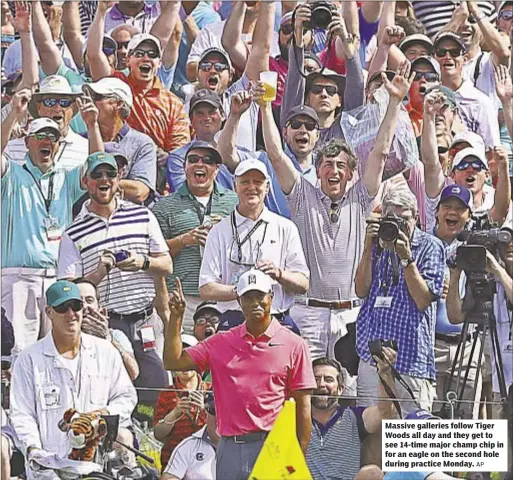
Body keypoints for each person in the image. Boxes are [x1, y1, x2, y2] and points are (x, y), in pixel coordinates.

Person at [264, 62, 415, 360]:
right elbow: (276, 154)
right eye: (328, 165)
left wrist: (395, 103)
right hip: (307, 314)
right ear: (318, 171)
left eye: (341, 167)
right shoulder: (302, 197)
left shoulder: (361, 197)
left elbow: (381, 153)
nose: (334, 172)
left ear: (350, 174)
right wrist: (264, 105)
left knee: (352, 393)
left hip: (352, 314)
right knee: (304, 393)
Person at [163, 270, 316, 479]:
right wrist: (176, 319)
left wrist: (298, 456)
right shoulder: (220, 341)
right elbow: (173, 361)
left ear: (271, 297)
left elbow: (303, 407)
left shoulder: (294, 344)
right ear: (238, 300)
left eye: (260, 296)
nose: (255, 303)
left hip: (273, 444)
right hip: (229, 447)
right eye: (248, 297)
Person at [56, 152, 172, 414]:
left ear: (119, 178)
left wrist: (141, 262)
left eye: (110, 173)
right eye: (97, 175)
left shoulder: (142, 215)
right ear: (86, 182)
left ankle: (155, 445)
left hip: (145, 318)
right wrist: (99, 272)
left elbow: (166, 264)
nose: (104, 179)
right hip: (105, 322)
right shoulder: (73, 232)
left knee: (157, 388)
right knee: (113, 391)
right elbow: (70, 289)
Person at [1, 89, 98, 355]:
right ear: (28, 141)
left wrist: (91, 125)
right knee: (18, 352)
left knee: (57, 351)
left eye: (53, 137)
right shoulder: (11, 174)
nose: (47, 141)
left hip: (57, 278)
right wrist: (13, 113)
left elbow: (97, 166)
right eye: (41, 136)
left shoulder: (65, 179)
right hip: (19, 276)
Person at [9, 280, 137, 480]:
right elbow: (21, 415)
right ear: (49, 313)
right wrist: (33, 449)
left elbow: (126, 397)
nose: (71, 314)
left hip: (97, 467)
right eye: (62, 308)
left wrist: (101, 416)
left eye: (76, 306)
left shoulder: (105, 351)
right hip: (48, 469)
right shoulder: (28, 359)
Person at [355, 189, 446, 415]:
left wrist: (406, 258)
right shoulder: (377, 243)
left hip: (411, 359)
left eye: (403, 219)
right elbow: (360, 290)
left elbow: (423, 300)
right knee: (372, 433)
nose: (397, 225)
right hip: (372, 356)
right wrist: (368, 246)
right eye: (391, 219)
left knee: (410, 438)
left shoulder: (430, 246)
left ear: (416, 217)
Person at [198, 159, 310, 331]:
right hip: (234, 321)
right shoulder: (219, 231)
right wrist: (244, 290)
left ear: (267, 187)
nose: (251, 187)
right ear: (235, 186)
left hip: (276, 319)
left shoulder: (285, 227)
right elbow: (206, 288)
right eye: (245, 182)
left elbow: (303, 283)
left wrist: (279, 274)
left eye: (257, 182)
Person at [153, 142, 238, 333]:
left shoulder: (234, 202)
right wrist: (183, 240)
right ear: (184, 167)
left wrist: (225, 235)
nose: (199, 164)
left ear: (216, 169)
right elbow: (154, 255)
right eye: (193, 160)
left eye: (207, 160)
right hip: (184, 298)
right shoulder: (164, 206)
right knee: (184, 359)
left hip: (225, 297)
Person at [430, 185, 482, 419]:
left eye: (460, 209)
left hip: (466, 346)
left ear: (469, 215)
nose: (452, 212)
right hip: (428, 346)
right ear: (438, 211)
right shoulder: (422, 244)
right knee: (425, 424)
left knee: (465, 424)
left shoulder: (475, 248)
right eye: (447, 207)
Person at [307, 352, 398, 479]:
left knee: (373, 473)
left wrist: (385, 373)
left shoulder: (354, 417)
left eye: (328, 379)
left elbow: (385, 412)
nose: (321, 384)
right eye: (316, 379)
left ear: (340, 388)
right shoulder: (296, 419)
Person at [83, 76, 157, 204]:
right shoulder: (80, 140)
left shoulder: (142, 143)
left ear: (119, 104)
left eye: (98, 97)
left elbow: (140, 191)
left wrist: (99, 181)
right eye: (90, 97)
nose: (91, 102)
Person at [4, 75, 88, 170]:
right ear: (38, 108)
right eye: (50, 102)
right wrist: (14, 112)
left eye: (64, 102)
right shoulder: (12, 148)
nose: (57, 108)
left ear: (72, 108)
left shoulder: (86, 149)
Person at [433, 31, 501, 150]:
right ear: (434, 58)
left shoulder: (481, 102)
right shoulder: (427, 98)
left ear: (464, 59)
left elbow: (491, 151)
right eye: (441, 52)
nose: (447, 57)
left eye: (454, 52)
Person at [154, 334, 211, 468]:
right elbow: (158, 434)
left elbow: (223, 431)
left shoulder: (211, 389)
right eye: (179, 359)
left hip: (207, 461)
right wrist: (174, 414)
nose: (184, 365)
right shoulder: (166, 394)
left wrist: (206, 411)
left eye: (188, 358)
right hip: (173, 461)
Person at [166, 89, 234, 193]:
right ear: (191, 119)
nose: (206, 118)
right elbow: (183, 195)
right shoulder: (178, 158)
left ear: (223, 115)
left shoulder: (237, 155)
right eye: (200, 113)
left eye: (212, 112)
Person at [73, 278, 139, 382]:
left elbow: (133, 372)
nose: (85, 306)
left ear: (100, 308)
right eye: (78, 302)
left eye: (89, 300)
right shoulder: (63, 337)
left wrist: (107, 339)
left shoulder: (115, 335)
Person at [161, 392, 218, 480]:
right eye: (214, 410)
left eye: (226, 411)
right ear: (206, 412)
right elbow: (169, 478)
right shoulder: (188, 446)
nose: (219, 417)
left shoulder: (244, 445)